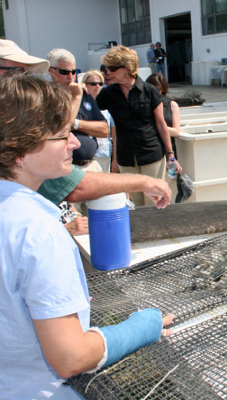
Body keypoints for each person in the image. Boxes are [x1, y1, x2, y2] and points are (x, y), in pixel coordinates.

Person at [0, 73, 174, 399]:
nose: (75, 143)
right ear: (21, 150)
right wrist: (141, 327)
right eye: (62, 135)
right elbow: (71, 357)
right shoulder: (39, 233)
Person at [0, 39, 172, 209]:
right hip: (117, 159)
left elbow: (104, 129)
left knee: (149, 207)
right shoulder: (36, 105)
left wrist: (169, 155)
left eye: (26, 73)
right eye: (18, 71)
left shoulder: (148, 91)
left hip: (145, 154)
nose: (73, 142)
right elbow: (74, 186)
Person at [96, 45, 180, 206]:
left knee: (154, 201)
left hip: (151, 153)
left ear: (127, 69)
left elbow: (161, 124)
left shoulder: (150, 91)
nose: (108, 73)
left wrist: (171, 155)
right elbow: (92, 109)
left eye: (112, 68)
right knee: (137, 203)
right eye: (106, 69)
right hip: (126, 155)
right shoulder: (108, 94)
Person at [48, 48, 109, 173]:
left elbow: (104, 130)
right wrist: (76, 97)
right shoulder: (47, 96)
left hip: (91, 164)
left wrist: (76, 124)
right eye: (64, 72)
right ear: (51, 71)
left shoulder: (84, 94)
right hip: (65, 167)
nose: (70, 77)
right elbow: (63, 126)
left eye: (73, 71)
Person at [82, 69, 117, 172]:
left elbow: (114, 135)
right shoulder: (79, 104)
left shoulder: (108, 105)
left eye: (100, 83)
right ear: (85, 84)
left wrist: (115, 159)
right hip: (86, 154)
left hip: (104, 152)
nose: (97, 86)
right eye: (93, 83)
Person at [146, 72, 180, 157]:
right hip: (150, 150)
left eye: (159, 89)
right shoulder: (144, 105)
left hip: (168, 150)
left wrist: (159, 127)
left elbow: (176, 131)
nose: (155, 92)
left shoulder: (172, 105)